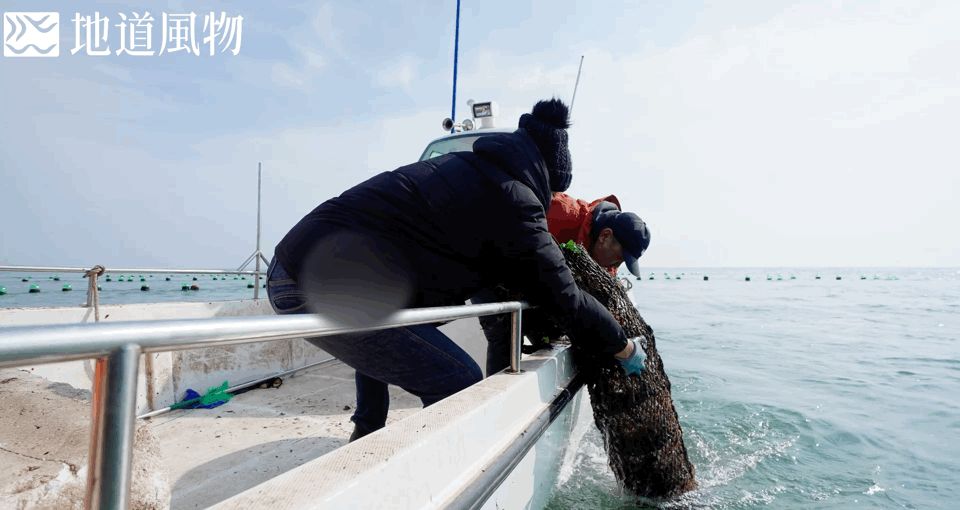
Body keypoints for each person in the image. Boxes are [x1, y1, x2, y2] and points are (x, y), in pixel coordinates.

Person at [268, 98, 645, 442]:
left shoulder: (471, 171)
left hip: (304, 266)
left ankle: (367, 434)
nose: (549, 198)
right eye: (550, 188)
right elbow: (564, 296)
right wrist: (622, 345)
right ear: (544, 174)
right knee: (457, 381)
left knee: (399, 332)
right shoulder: (514, 199)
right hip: (313, 281)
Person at [477, 193, 651, 374]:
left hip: (538, 281)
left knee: (549, 334)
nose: (616, 266)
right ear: (605, 236)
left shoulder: (602, 255)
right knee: (505, 333)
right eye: (619, 258)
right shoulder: (556, 212)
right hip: (491, 266)